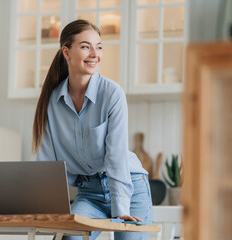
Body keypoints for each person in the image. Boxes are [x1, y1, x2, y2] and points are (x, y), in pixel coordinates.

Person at [32, 19, 153, 240]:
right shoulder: (52, 101)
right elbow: (48, 162)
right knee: (69, 237)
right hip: (90, 193)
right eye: (86, 46)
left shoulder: (112, 94)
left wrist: (121, 211)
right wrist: (42, 206)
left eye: (99, 47)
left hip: (131, 189)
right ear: (66, 52)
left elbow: (116, 156)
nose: (94, 54)